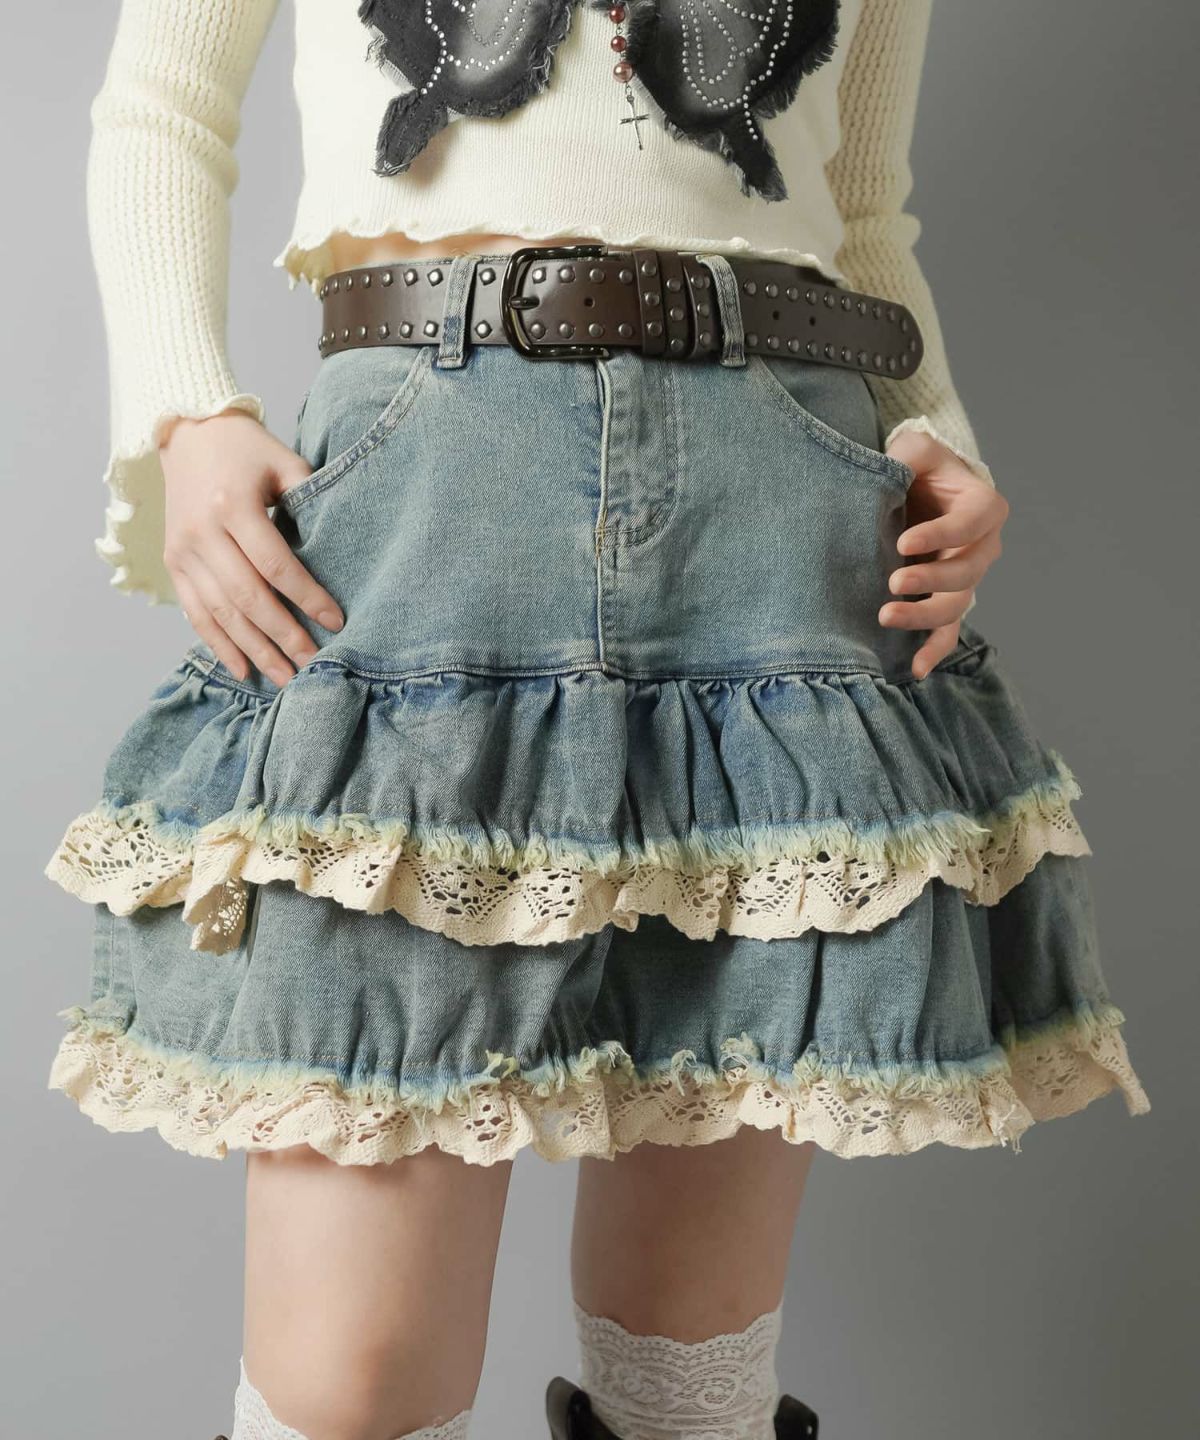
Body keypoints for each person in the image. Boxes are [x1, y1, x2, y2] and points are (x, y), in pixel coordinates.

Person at [42, 3, 1151, 1439]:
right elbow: (161, 103)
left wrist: (939, 433)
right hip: (429, 480)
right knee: (350, 1385)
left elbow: (862, 210)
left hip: (786, 494)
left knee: (692, 1384)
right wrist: (187, 413)